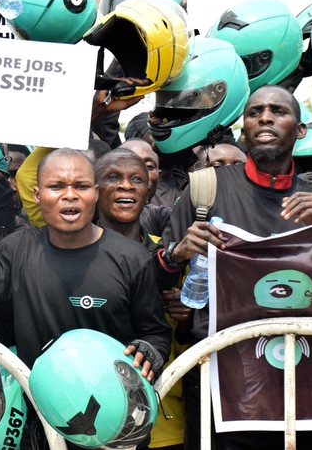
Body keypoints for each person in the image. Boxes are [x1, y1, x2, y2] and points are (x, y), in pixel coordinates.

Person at [160, 85, 312, 450]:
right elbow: (154, 277)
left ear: (300, 130)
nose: (265, 118)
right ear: (243, 130)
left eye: (278, 111)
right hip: (220, 379)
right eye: (255, 112)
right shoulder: (205, 188)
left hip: (302, 378)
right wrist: (178, 254)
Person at [0, 148, 171, 450]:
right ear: (37, 195)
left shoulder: (132, 257)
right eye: (57, 186)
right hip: (46, 427)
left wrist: (150, 351)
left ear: (95, 193)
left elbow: (156, 333)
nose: (69, 195)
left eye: (81, 186)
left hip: (117, 428)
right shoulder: (17, 250)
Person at [93, 148, 184, 450]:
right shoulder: (72, 253)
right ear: (94, 188)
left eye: (137, 179)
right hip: (92, 420)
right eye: (113, 177)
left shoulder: (173, 255)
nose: (126, 186)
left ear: (149, 191)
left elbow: (189, 339)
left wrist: (188, 314)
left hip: (166, 424)